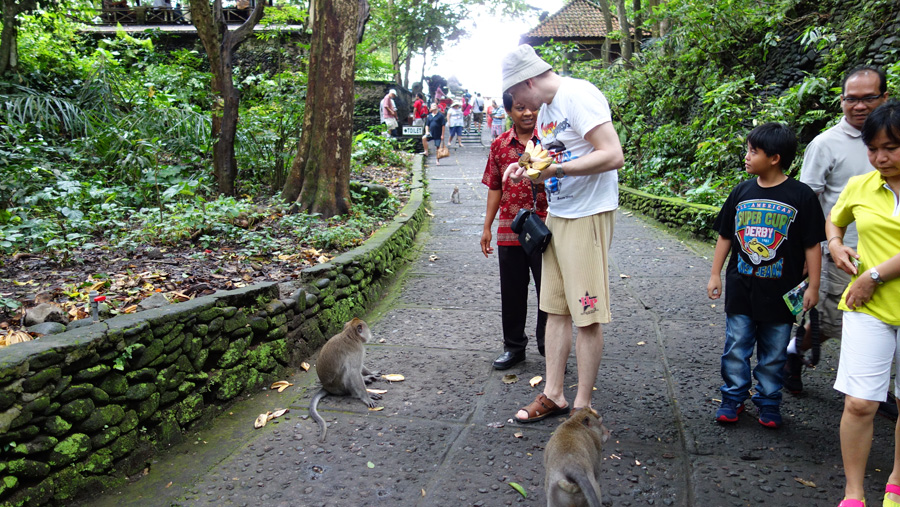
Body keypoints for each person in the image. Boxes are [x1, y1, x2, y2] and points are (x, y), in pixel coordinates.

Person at [501, 44, 624, 423]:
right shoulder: (549, 109)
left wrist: (558, 172)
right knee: (554, 308)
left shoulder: (578, 95)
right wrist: (521, 165)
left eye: (514, 94)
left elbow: (613, 154)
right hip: (559, 214)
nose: (515, 104)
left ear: (529, 81)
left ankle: (583, 406)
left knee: (585, 314)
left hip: (588, 214)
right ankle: (554, 394)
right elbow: (547, 149)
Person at [790, 65, 896, 418]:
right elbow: (808, 202)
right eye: (852, 98)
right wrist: (816, 249)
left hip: (890, 256)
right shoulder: (825, 144)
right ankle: (792, 354)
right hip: (845, 256)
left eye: (869, 98)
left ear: (884, 97)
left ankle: (875, 391)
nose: (860, 105)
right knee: (832, 322)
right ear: (841, 101)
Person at [707, 122, 825, 429]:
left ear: (774, 158)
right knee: (736, 347)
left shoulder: (802, 196)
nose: (746, 156)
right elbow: (725, 237)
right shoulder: (741, 191)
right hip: (741, 287)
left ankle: (769, 402)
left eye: (752, 151)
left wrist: (813, 285)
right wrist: (715, 275)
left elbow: (813, 245)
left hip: (782, 293)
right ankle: (732, 398)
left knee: (774, 352)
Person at [829, 100, 900, 507]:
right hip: (867, 308)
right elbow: (836, 218)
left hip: (867, 289)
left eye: (890, 147)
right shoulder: (861, 184)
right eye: (872, 148)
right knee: (859, 403)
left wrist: (873, 276)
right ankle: (853, 493)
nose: (880, 157)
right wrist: (837, 243)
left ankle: (896, 480)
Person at [481, 92, 549, 370]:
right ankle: (514, 347)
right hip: (510, 229)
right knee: (512, 292)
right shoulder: (499, 145)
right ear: (509, 111)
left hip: (546, 227)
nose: (528, 113)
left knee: (550, 292)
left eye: (533, 107)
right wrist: (487, 227)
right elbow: (495, 186)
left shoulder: (550, 141)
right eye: (520, 108)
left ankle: (550, 349)